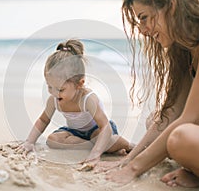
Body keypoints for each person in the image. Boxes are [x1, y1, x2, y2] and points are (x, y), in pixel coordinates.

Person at [102, 0, 199, 188]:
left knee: (181, 137)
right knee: (156, 120)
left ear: (171, 6)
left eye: (144, 18)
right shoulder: (186, 51)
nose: (143, 30)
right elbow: (171, 115)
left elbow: (192, 118)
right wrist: (126, 161)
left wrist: (134, 169)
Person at [16, 39, 133, 168]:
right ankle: (95, 145)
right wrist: (29, 142)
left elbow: (105, 127)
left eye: (60, 89)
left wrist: (95, 154)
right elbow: (43, 120)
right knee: (52, 140)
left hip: (98, 130)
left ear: (79, 84)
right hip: (74, 133)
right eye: (50, 87)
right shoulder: (54, 100)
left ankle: (127, 145)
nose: (54, 93)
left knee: (108, 140)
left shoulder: (88, 99)